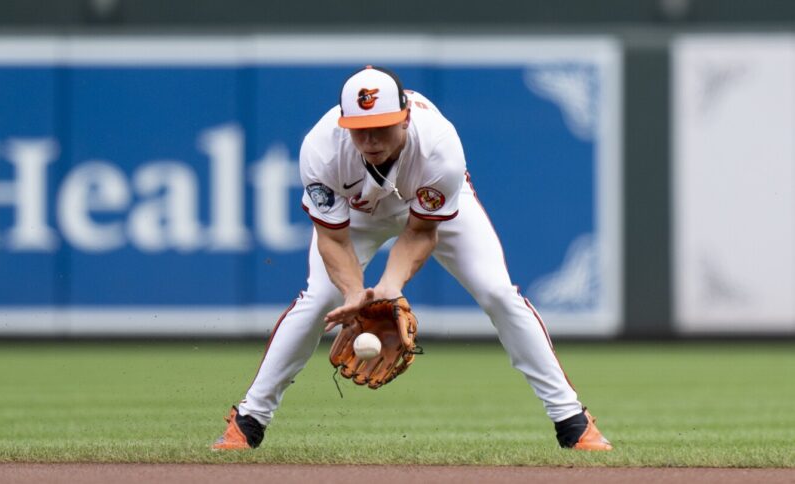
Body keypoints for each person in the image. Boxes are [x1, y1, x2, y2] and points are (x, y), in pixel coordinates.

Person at [213, 65, 612, 451]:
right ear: (344, 125)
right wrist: (355, 292)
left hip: (424, 208)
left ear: (405, 118)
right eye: (360, 129)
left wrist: (389, 288)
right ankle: (249, 422)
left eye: (382, 125)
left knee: (498, 293)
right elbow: (332, 240)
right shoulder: (321, 150)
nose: (370, 138)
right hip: (358, 215)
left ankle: (572, 421)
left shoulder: (440, 147)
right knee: (319, 299)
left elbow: (421, 232)